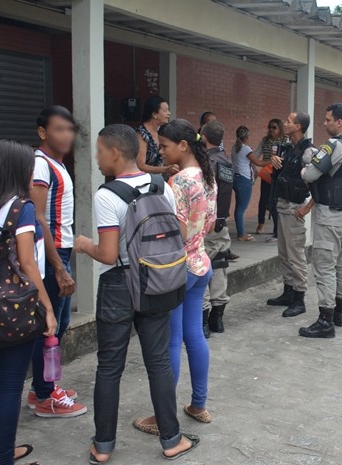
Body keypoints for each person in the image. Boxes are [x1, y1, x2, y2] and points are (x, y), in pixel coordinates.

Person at [74, 124, 199, 463]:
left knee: (109, 366)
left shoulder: (107, 195)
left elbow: (109, 253)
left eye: (99, 152)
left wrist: (85, 244)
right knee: (158, 362)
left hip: (119, 286)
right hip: (157, 282)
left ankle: (103, 447)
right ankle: (172, 440)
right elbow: (180, 231)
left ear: (115, 153)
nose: (97, 159)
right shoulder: (163, 186)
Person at [0, 139, 57, 465]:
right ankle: (3, 458)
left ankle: (2, 449)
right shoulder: (22, 207)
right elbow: (28, 263)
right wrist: (47, 308)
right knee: (10, 385)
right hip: (13, 304)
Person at [133, 119, 217, 434]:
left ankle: (163, 415)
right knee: (194, 335)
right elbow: (206, 226)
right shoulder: (207, 177)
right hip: (200, 263)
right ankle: (199, 404)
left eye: (164, 146)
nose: (161, 152)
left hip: (177, 269)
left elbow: (177, 231)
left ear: (183, 146)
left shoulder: (179, 181)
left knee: (170, 342)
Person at [28, 105, 86, 418]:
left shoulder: (56, 164)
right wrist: (59, 267)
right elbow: (38, 219)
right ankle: (46, 395)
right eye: (59, 129)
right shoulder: (40, 165)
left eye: (70, 129)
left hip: (61, 251)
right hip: (51, 256)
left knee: (59, 323)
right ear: (42, 132)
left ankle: (41, 387)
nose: (67, 135)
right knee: (50, 326)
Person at [299, 103, 342, 338]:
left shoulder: (334, 145)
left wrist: (307, 163)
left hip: (330, 215)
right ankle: (340, 312)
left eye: (328, 119)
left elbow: (310, 174)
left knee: (324, 268)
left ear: (339, 122)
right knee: (340, 263)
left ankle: (325, 321)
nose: (325, 123)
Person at [266, 112, 315, 318]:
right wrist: (274, 159)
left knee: (296, 255)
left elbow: (318, 184)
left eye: (288, 122)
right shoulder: (287, 148)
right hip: (282, 206)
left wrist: (306, 208)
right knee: (284, 254)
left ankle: (299, 298)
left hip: (294, 209)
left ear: (298, 127)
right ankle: (288, 291)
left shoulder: (309, 152)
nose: (285, 124)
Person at [200, 120, 234, 336]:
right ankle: (218, 319)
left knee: (201, 267)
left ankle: (203, 321)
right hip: (221, 223)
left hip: (204, 224)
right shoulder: (226, 162)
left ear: (203, 138)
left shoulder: (207, 163)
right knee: (219, 266)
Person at [231, 126, 270, 241]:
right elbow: (258, 162)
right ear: (247, 136)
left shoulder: (235, 147)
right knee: (241, 209)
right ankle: (241, 234)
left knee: (238, 207)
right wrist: (272, 160)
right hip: (244, 180)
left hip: (236, 179)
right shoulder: (246, 149)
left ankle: (240, 232)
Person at [255, 119, 285, 241]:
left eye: (274, 127)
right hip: (267, 173)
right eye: (270, 127)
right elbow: (256, 154)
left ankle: (276, 230)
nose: (271, 130)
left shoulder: (285, 141)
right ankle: (261, 223)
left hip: (279, 175)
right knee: (263, 199)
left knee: (275, 201)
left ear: (280, 128)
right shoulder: (265, 140)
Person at [136, 96, 179, 177]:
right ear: (155, 114)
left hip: (159, 180)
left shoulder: (161, 132)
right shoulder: (142, 134)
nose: (169, 113)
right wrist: (166, 169)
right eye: (165, 110)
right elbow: (140, 165)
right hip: (145, 182)